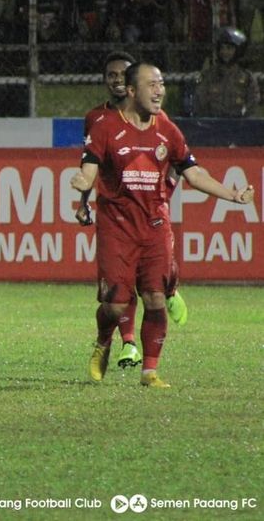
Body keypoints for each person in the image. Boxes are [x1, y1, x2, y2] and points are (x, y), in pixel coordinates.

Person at [71, 61, 255, 388]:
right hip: (117, 228)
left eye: (161, 84)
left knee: (156, 298)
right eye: (151, 84)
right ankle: (103, 340)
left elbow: (193, 172)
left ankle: (150, 371)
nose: (160, 90)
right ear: (131, 91)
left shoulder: (167, 129)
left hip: (155, 226)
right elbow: (89, 167)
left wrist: (232, 194)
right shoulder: (105, 126)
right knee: (113, 305)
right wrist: (82, 181)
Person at [77, 52, 188, 371]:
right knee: (118, 294)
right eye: (110, 75)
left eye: (122, 75)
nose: (116, 80)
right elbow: (91, 165)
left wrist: (165, 189)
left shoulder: (159, 119)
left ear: (131, 85)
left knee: (152, 285)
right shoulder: (97, 120)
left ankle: (170, 289)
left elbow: (178, 161)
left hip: (153, 210)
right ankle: (126, 342)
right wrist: (84, 201)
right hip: (118, 217)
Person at [193, 27, 261, 118]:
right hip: (212, 126)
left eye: (229, 48)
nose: (225, 52)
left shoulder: (248, 78)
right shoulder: (208, 76)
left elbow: (252, 105)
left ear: (238, 50)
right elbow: (200, 103)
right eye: (222, 48)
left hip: (239, 127)